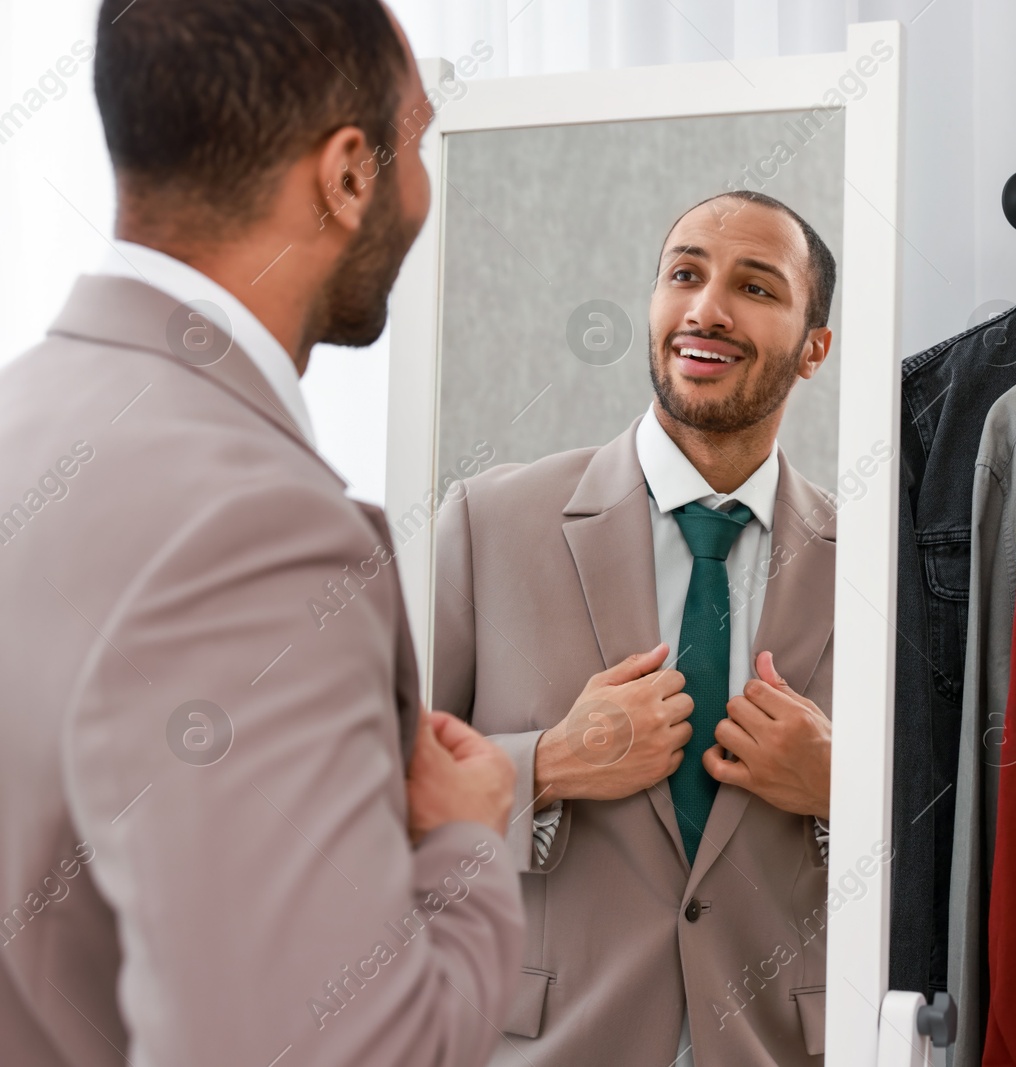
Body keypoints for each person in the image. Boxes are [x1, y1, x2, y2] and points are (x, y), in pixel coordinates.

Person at [0, 2, 525, 1064]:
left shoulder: (25, 417)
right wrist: (467, 840)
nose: (424, 189)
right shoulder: (258, 528)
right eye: (417, 145)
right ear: (347, 172)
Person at [432, 189, 838, 1066]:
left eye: (757, 288)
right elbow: (367, 792)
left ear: (815, 350)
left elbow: (955, 842)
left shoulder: (871, 563)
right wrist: (545, 763)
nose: (706, 308)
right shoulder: (488, 523)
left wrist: (843, 783)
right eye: (683, 274)